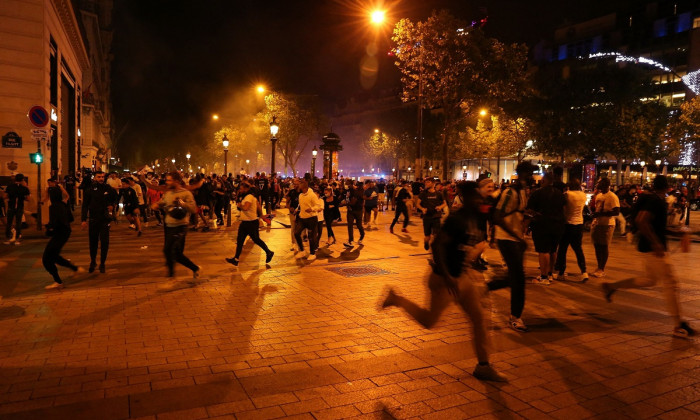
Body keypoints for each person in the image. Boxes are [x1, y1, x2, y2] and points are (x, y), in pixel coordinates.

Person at [380, 182, 506, 382]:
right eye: (477, 198)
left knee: (479, 319)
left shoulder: (476, 217)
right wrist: (447, 276)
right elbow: (437, 245)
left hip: (462, 278)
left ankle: (483, 366)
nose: (480, 201)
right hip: (443, 279)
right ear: (467, 199)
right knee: (430, 321)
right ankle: (397, 299)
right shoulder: (457, 219)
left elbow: (492, 222)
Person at [602, 175, 695, 338]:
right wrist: (656, 243)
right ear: (667, 188)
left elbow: (655, 225)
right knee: (671, 283)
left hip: (648, 247)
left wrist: (676, 232)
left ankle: (611, 287)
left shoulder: (654, 199)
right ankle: (679, 324)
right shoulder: (657, 201)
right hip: (654, 249)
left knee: (649, 280)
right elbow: (642, 220)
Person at [486, 161, 534, 332]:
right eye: (529, 173)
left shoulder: (522, 192)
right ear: (521, 173)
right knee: (518, 280)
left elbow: (516, 212)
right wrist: (516, 237)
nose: (531, 177)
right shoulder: (509, 192)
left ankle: (484, 289)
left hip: (515, 239)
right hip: (507, 239)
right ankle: (515, 318)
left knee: (514, 278)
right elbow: (498, 216)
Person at [154, 172, 202, 279]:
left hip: (181, 226)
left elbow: (194, 209)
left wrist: (183, 204)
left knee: (174, 251)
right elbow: (162, 202)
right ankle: (194, 268)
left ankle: (171, 275)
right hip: (169, 226)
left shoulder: (186, 193)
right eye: (167, 180)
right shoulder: (168, 193)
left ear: (176, 181)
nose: (167, 182)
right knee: (170, 251)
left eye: (169, 180)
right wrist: (156, 205)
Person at [42, 177, 84, 289]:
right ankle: (75, 269)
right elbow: (70, 219)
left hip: (59, 234)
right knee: (54, 256)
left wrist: (48, 227)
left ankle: (58, 281)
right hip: (64, 233)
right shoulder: (63, 204)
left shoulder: (54, 207)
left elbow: (53, 224)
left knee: (47, 259)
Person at [525, 173, 565, 284]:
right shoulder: (560, 194)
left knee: (543, 251)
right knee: (553, 250)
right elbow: (564, 209)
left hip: (542, 225)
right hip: (557, 226)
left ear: (543, 181)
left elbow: (529, 210)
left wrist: (526, 225)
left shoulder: (537, 194)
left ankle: (544, 277)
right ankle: (550, 274)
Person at [225, 181, 274, 266]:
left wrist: (240, 206)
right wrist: (261, 216)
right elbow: (258, 207)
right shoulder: (251, 197)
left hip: (250, 223)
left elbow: (246, 207)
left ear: (246, 188)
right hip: (246, 222)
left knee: (256, 239)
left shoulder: (248, 197)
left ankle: (269, 252)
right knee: (240, 240)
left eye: (241, 188)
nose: (240, 190)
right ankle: (236, 259)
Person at [81, 170, 118, 273]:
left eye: (102, 177)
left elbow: (115, 198)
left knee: (105, 242)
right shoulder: (89, 190)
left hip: (105, 220)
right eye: (99, 177)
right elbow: (85, 206)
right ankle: (93, 261)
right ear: (94, 178)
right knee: (93, 242)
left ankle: (102, 263)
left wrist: (112, 205)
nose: (101, 179)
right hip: (93, 219)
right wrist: (83, 220)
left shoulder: (108, 188)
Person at [554, 178, 588, 281]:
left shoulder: (567, 195)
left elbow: (562, 208)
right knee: (578, 249)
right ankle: (584, 272)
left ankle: (561, 272)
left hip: (568, 224)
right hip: (579, 224)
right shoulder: (583, 195)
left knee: (562, 249)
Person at [590, 178, 620, 278]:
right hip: (597, 223)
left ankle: (602, 268)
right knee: (597, 246)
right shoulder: (599, 195)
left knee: (604, 246)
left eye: (600, 183)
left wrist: (602, 213)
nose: (598, 185)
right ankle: (599, 267)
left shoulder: (612, 196)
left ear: (606, 185)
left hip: (607, 224)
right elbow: (596, 208)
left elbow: (616, 212)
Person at [294, 179, 323, 261]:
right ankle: (302, 250)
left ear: (304, 187)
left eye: (300, 185)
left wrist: (312, 209)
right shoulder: (300, 195)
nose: (298, 186)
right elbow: (300, 205)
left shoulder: (312, 195)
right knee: (296, 233)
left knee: (311, 237)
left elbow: (318, 205)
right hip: (302, 218)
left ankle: (312, 253)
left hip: (311, 218)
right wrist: (297, 210)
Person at [417, 178, 447, 251]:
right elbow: (417, 204)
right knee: (427, 236)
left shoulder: (439, 194)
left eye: (428, 182)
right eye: (425, 182)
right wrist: (422, 209)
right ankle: (426, 242)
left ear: (433, 183)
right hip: (427, 217)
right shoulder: (423, 193)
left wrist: (440, 207)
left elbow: (444, 203)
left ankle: (434, 249)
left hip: (436, 216)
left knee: (436, 235)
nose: (426, 184)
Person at [4, 174, 31, 245]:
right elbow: (28, 199)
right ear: (22, 180)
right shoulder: (24, 188)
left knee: (9, 222)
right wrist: (22, 197)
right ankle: (18, 238)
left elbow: (5, 196)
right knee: (18, 223)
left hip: (11, 206)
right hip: (19, 207)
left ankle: (8, 237)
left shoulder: (9, 187)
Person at [343, 180, 365, 248]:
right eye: (345, 184)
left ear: (351, 184)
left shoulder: (356, 191)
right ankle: (350, 241)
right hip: (350, 211)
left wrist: (345, 204)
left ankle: (362, 235)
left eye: (347, 184)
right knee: (350, 225)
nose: (346, 185)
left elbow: (353, 202)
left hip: (358, 210)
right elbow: (344, 197)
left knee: (359, 225)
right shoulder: (347, 191)